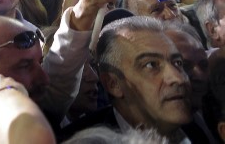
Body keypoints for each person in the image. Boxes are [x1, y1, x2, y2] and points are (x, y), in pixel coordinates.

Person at [0, 0, 119, 121]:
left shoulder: (41, 110)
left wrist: (85, 10)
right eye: (24, 66)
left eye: (41, 63)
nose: (44, 78)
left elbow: (62, 71)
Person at [61, 16, 207, 143]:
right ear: (113, 84)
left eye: (178, 63)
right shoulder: (76, 140)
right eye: (151, 65)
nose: (178, 78)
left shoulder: (199, 128)